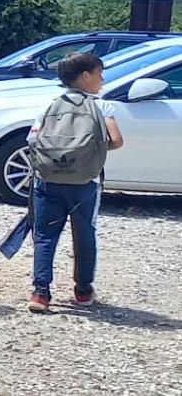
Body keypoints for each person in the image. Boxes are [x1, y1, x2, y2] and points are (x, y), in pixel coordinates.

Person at [27, 52, 122, 312]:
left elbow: (33, 139)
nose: (102, 80)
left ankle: (40, 293)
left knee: (44, 236)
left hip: (48, 180)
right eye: (100, 74)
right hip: (85, 183)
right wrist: (87, 154)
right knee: (84, 235)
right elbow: (116, 140)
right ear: (86, 76)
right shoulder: (102, 107)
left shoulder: (50, 104)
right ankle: (83, 291)